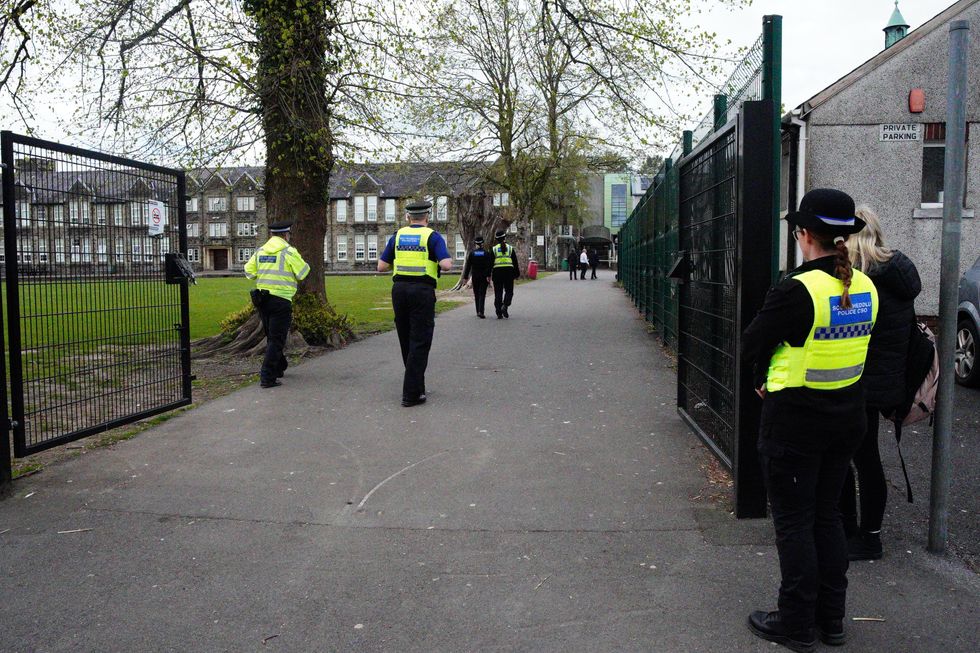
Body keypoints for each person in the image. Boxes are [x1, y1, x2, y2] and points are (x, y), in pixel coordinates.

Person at [741, 188, 879, 651]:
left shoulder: (797, 289)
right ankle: (831, 618)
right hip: (847, 420)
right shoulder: (865, 287)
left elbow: (753, 342)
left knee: (795, 522)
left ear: (804, 235)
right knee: (828, 517)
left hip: (796, 423)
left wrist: (762, 375)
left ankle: (796, 623)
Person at [839, 206, 921, 561]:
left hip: (858, 381)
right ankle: (863, 533)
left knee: (852, 458)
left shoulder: (861, 280)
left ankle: (860, 535)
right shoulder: (897, 273)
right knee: (865, 456)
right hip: (885, 383)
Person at [378, 200, 453, 407]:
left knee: (406, 339)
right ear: (427, 217)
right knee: (420, 340)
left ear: (408, 217)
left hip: (399, 291)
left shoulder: (397, 236)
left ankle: (417, 386)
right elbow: (446, 265)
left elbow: (381, 266)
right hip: (421, 291)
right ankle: (411, 394)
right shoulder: (433, 236)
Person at [244, 221, 311, 389]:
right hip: (281, 300)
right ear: (285, 235)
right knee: (277, 339)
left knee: (271, 336)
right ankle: (267, 377)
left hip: (263, 301)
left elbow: (249, 272)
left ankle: (280, 367)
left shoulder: (260, 251)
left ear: (272, 235)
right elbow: (303, 273)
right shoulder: (289, 252)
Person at [461, 235, 492, 318]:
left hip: (475, 276)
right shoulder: (486, 253)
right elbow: (489, 266)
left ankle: (477, 310)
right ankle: (481, 311)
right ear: (482, 243)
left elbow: (467, 266)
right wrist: (489, 276)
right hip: (484, 276)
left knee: (476, 294)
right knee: (482, 293)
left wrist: (465, 277)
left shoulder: (472, 254)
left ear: (476, 244)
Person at [491, 230, 520, 318]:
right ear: (504, 238)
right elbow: (515, 262)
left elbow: (490, 263)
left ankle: (499, 312)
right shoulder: (510, 248)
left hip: (497, 272)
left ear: (496, 239)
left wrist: (488, 274)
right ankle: (505, 306)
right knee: (509, 291)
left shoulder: (494, 249)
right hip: (508, 272)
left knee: (498, 292)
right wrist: (517, 273)